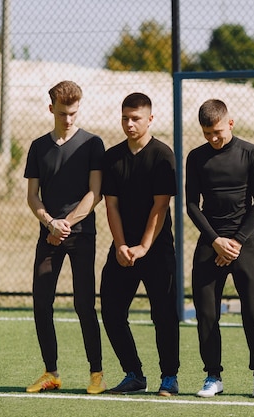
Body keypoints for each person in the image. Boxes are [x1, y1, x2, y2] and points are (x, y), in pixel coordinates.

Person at [24, 80, 106, 394]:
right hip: (48, 234)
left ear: (78, 108)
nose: (68, 119)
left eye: (73, 112)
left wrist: (66, 224)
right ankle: (51, 373)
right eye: (62, 113)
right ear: (51, 110)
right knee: (41, 302)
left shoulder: (92, 144)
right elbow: (32, 196)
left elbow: (95, 192)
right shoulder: (37, 147)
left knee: (84, 304)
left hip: (81, 233)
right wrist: (49, 223)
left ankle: (96, 373)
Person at [186, 99, 254, 399]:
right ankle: (213, 376)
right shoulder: (196, 157)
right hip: (211, 243)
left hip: (244, 243)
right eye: (207, 133)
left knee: (253, 311)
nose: (213, 138)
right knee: (206, 313)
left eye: (218, 131)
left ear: (230, 123)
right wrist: (215, 241)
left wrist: (236, 241)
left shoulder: (251, 153)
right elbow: (192, 205)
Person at [100, 92, 180, 397]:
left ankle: (169, 376)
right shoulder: (112, 157)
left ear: (150, 119)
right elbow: (111, 206)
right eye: (125, 118)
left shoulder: (163, 155)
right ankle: (133, 373)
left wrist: (144, 247)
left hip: (157, 249)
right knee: (110, 310)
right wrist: (121, 246)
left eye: (136, 118)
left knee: (164, 314)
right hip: (123, 249)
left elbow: (160, 207)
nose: (129, 124)